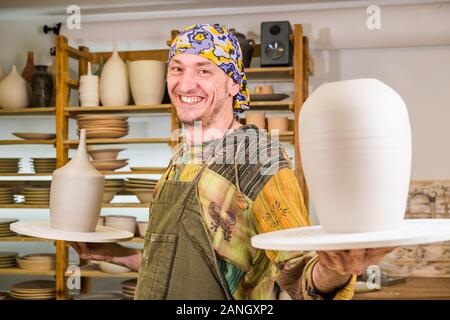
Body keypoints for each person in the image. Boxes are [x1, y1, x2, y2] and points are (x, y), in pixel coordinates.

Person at [70, 24, 393, 300]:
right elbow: (184, 261)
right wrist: (123, 255)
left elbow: (300, 275)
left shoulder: (259, 158)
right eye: (177, 68)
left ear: (234, 85)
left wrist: (333, 270)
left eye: (204, 70)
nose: (185, 84)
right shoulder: (183, 154)